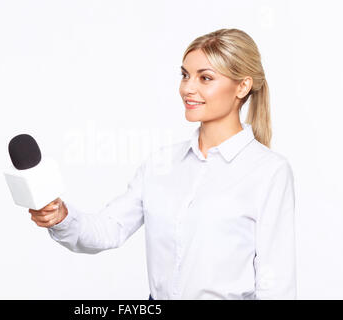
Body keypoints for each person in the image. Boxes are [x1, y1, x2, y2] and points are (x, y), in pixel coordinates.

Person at [28, 28, 296, 300]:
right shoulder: (161, 164)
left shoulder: (269, 172)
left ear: (242, 86)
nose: (188, 88)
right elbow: (109, 229)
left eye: (205, 78)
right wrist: (61, 217)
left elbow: (276, 283)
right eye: (185, 75)